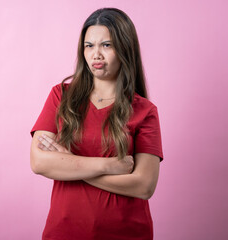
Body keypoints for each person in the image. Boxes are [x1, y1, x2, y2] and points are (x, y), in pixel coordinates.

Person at [30, 7, 163, 240]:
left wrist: (68, 164)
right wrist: (109, 165)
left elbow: (144, 186)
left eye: (107, 45)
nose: (96, 54)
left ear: (125, 49)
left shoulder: (145, 111)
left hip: (127, 233)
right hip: (65, 232)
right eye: (89, 46)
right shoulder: (61, 96)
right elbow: (39, 162)